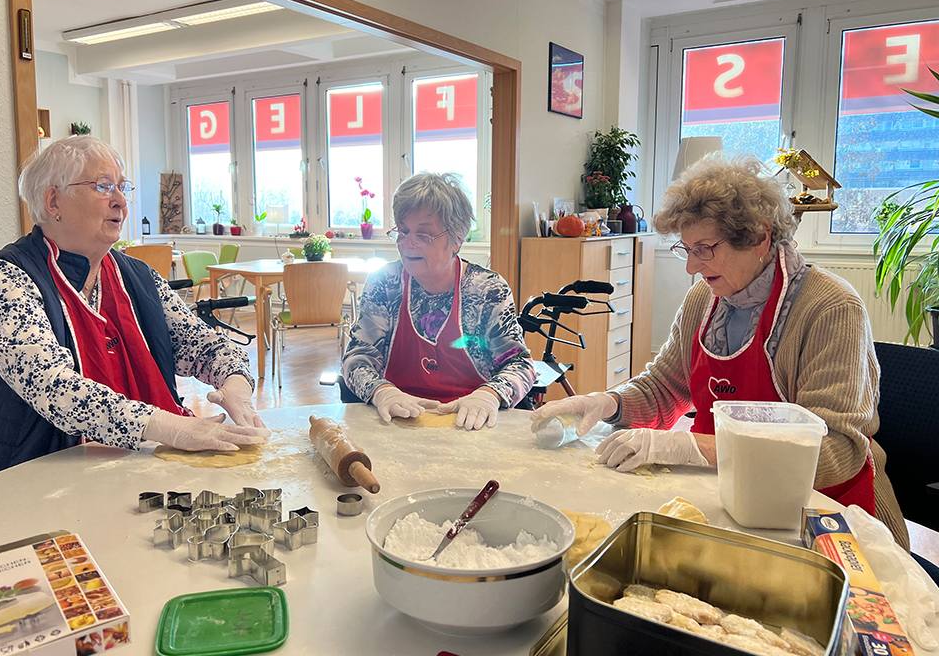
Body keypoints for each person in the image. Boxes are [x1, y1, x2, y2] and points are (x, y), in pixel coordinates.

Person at [533, 153, 910, 548]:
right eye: (686, 249)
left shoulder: (830, 307)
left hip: (823, 516)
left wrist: (695, 447)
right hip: (730, 499)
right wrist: (608, 402)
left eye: (704, 248)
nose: (691, 268)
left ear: (760, 237)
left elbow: (836, 452)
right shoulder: (704, 299)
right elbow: (664, 389)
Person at [0, 136, 266, 494]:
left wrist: (236, 383)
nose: (121, 201)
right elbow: (55, 389)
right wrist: (170, 427)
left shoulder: (137, 276)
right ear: (53, 201)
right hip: (22, 485)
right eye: (103, 186)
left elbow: (202, 345)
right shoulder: (2, 280)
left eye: (122, 187)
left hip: (134, 475)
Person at [342, 172, 535, 430]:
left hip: (470, 424)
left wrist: (489, 395)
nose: (407, 244)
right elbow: (357, 358)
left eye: (423, 235)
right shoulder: (385, 283)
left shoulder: (487, 289)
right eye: (403, 231)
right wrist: (382, 392)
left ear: (457, 239)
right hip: (398, 421)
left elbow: (519, 363)